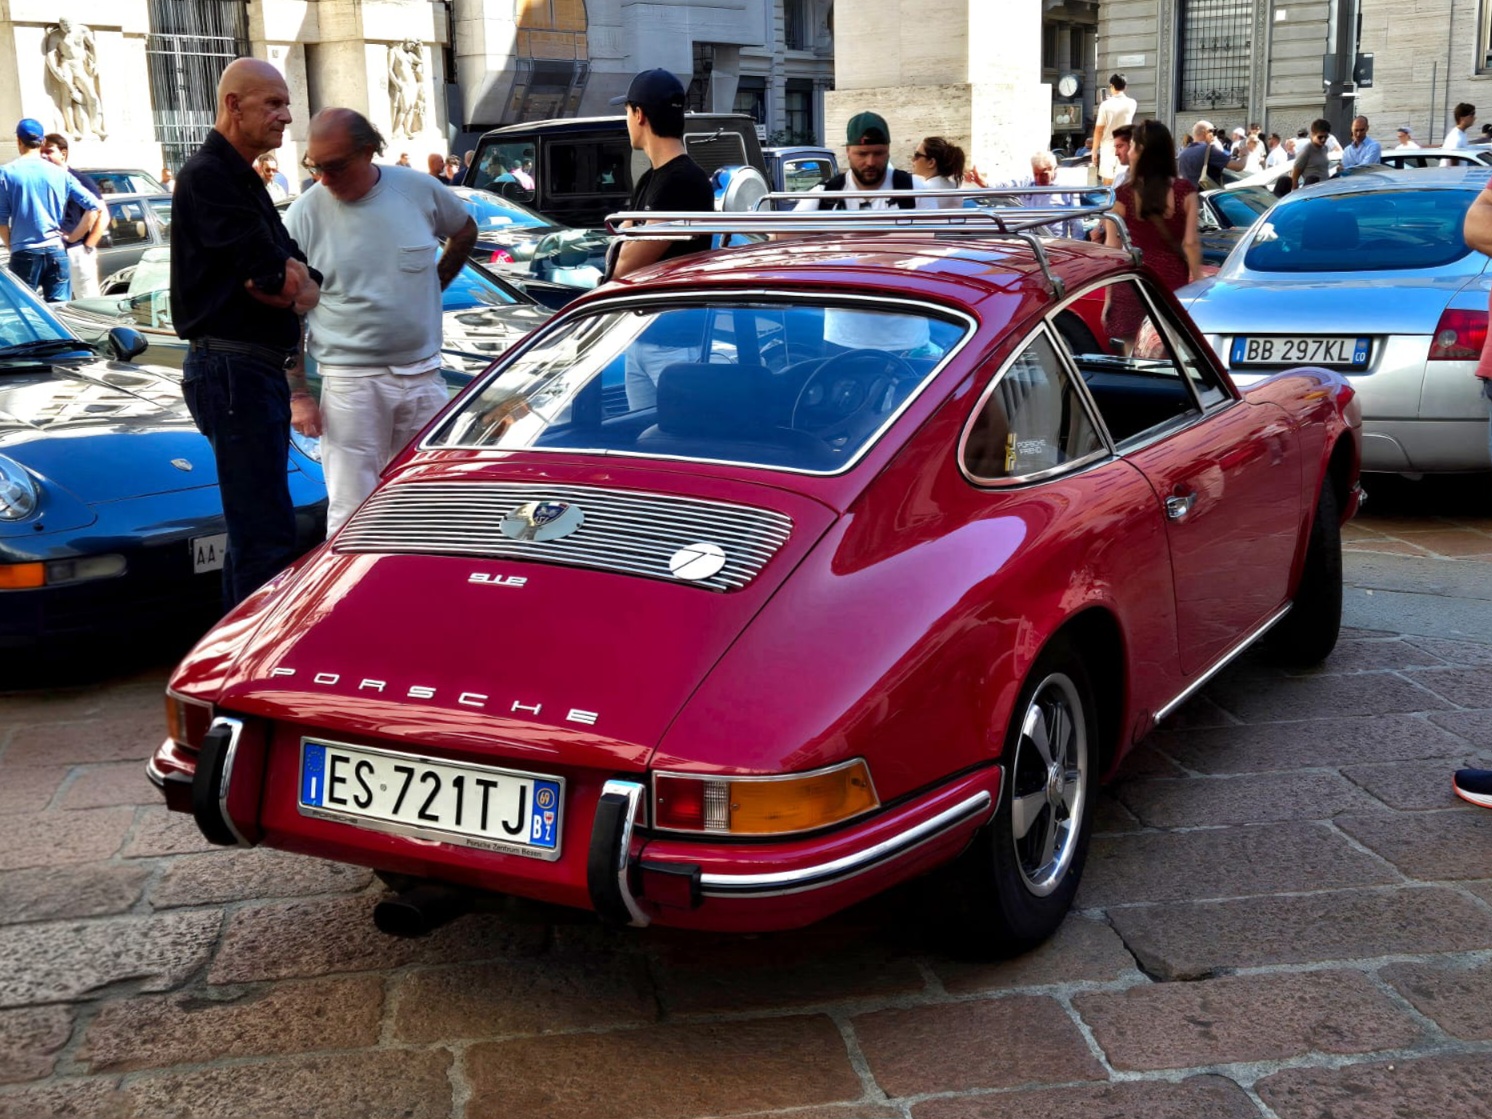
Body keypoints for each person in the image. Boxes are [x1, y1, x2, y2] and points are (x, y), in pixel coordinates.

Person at [170, 58, 322, 610]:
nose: (286, 116)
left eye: (286, 103)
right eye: (273, 104)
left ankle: (239, 652)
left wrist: (296, 285)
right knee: (265, 532)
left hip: (249, 367)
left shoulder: (242, 177)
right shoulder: (210, 176)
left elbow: (305, 275)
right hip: (231, 367)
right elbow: (276, 277)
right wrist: (293, 284)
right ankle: (253, 667)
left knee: (261, 526)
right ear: (233, 106)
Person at [284, 108, 477, 536]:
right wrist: (299, 393)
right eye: (314, 166)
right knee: (352, 511)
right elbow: (288, 309)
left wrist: (435, 285)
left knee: (426, 503)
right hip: (351, 380)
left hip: (424, 373)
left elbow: (465, 230)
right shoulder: (304, 214)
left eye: (334, 166)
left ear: (369, 151)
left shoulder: (417, 190)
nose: (324, 179)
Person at [607, 68, 713, 281]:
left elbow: (622, 268)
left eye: (626, 112)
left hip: (670, 311)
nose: (626, 121)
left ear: (639, 115)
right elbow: (619, 247)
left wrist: (623, 244)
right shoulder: (651, 178)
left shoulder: (681, 182)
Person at [1104, 119, 1200, 345]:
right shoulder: (1185, 191)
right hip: (1170, 287)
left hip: (1133, 284)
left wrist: (1109, 296)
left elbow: (1112, 250)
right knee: (1173, 355)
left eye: (1134, 146)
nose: (1130, 152)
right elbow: (1190, 244)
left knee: (1133, 362)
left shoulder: (1121, 196)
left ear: (1141, 151)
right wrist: (1198, 284)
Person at [0, 117, 99, 300]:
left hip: (24, 251)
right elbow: (94, 206)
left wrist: (11, 246)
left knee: (26, 312)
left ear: (19, 141)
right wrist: (74, 236)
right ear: (42, 141)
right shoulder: (61, 173)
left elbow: (2, 220)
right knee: (59, 312)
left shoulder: (6, 173)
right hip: (56, 249)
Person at [794, 110, 916, 213]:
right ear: (848, 151)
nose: (870, 162)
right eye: (862, 154)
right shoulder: (824, 195)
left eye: (878, 153)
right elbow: (782, 235)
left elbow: (934, 236)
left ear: (888, 150)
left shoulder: (915, 190)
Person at [39, 133, 107, 298]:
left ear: (63, 153)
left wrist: (87, 245)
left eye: (49, 151)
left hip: (76, 252)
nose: (43, 155)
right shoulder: (42, 180)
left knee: (87, 303)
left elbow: (102, 214)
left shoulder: (79, 179)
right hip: (52, 251)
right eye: (41, 152)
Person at [1092, 73, 1136, 185]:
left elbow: (1099, 130)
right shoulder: (1132, 103)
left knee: (1108, 181)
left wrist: (1094, 151)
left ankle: (1110, 202)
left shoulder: (1105, 105)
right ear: (1125, 87)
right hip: (1126, 144)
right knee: (1123, 179)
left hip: (1108, 145)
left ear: (1111, 86)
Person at [1177, 120, 1244, 187]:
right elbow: (1239, 166)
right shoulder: (1209, 150)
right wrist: (1246, 153)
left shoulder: (1183, 152)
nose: (1215, 136)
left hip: (1186, 195)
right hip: (1205, 195)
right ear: (1205, 132)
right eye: (1213, 131)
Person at [911, 136, 965, 208]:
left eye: (917, 155)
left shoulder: (923, 190)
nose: (913, 159)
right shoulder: (954, 187)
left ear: (931, 162)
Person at [1291, 118, 1332, 190]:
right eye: (1320, 137)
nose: (1323, 140)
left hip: (1325, 189)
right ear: (1312, 134)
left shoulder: (1325, 148)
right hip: (1312, 191)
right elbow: (1294, 177)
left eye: (1326, 137)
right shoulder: (1306, 151)